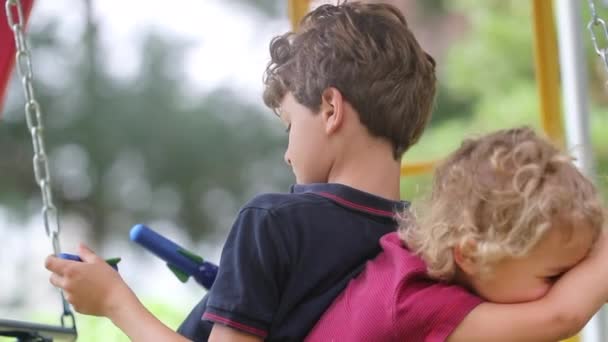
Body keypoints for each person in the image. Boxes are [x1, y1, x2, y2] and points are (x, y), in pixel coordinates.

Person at [44, 2, 437, 341]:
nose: (287, 154)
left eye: (289, 126)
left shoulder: (271, 224)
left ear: (331, 110)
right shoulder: (420, 242)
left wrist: (114, 301)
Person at [306, 127, 608, 342]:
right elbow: (560, 317)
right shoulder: (412, 303)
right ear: (470, 255)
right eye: (554, 277)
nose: (571, 283)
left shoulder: (427, 262)